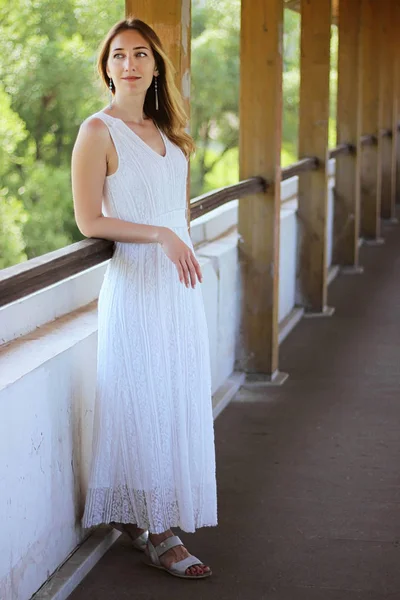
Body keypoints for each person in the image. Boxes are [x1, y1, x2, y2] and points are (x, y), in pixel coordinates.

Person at [71, 17, 217, 580]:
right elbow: (89, 221)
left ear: (155, 65)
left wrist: (175, 236)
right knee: (143, 398)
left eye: (139, 54)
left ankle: (144, 517)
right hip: (136, 285)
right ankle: (161, 534)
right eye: (117, 56)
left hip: (178, 290)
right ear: (106, 68)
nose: (128, 64)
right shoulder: (96, 132)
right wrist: (158, 235)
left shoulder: (167, 129)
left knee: (173, 399)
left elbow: (173, 208)